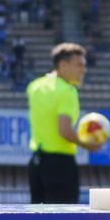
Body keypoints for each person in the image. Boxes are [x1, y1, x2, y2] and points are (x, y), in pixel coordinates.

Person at [26, 42, 87, 204]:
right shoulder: (67, 91)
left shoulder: (35, 86)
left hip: (37, 161)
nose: (83, 70)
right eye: (79, 65)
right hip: (60, 164)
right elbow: (64, 130)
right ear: (63, 65)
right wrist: (88, 144)